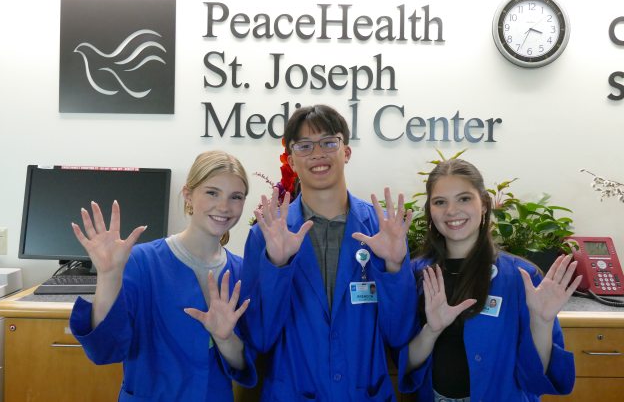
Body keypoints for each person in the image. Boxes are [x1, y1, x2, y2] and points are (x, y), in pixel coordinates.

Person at [240, 104, 417, 401]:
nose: (318, 154)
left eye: (328, 142)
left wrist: (395, 267)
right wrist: (277, 264)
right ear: (291, 161)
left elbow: (399, 334)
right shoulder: (267, 233)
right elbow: (259, 337)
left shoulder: (383, 228)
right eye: (304, 146)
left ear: (345, 152)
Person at [69, 151, 257, 402]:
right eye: (212, 192)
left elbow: (243, 367)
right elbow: (105, 350)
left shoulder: (242, 272)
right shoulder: (142, 262)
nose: (224, 206)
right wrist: (109, 275)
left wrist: (225, 338)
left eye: (236, 197)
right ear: (188, 194)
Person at [399, 159, 580, 402]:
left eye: (464, 198)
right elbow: (405, 366)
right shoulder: (416, 274)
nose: (451, 211)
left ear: (484, 204)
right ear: (430, 210)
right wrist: (431, 331)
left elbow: (537, 377)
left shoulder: (520, 277)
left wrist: (541, 322)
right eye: (440, 202)